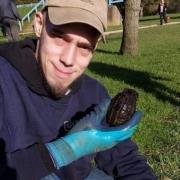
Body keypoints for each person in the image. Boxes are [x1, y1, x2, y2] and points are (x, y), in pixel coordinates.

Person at [0, 0, 157, 179]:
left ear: (95, 47)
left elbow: (125, 160)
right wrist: (61, 152)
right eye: (60, 37)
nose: (68, 59)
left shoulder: (94, 94)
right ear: (39, 25)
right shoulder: (4, 81)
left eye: (84, 47)